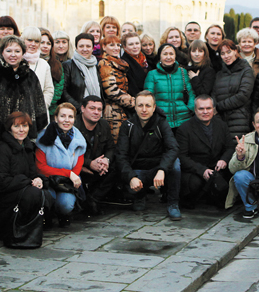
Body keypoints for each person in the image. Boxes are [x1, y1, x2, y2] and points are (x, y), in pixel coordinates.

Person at [113, 91, 182, 220]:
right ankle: (140, 196)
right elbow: (121, 156)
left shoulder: (161, 123)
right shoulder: (127, 126)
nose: (144, 110)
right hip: (138, 171)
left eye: (148, 106)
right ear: (135, 107)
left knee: (175, 164)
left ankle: (173, 204)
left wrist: (162, 169)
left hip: (157, 169)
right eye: (140, 105)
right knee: (130, 188)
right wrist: (131, 177)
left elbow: (173, 148)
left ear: (154, 107)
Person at [0, 111, 52, 246]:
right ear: (9, 129)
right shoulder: (2, 149)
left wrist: (39, 180)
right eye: (16, 126)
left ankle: (29, 230)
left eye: (25, 126)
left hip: (21, 189)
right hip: (4, 196)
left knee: (46, 194)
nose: (21, 130)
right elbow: (1, 182)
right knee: (33, 193)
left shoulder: (28, 146)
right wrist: (28, 182)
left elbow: (32, 173)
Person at [175, 95, 233, 208]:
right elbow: (182, 156)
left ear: (213, 109)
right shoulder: (184, 129)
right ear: (195, 110)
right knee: (194, 184)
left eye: (208, 108)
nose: (205, 112)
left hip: (217, 168)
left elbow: (230, 147)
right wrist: (202, 170)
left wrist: (224, 160)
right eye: (201, 109)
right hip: (195, 170)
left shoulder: (221, 125)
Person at [0, 35, 48, 139]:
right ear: (2, 52)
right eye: (9, 51)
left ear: (23, 53)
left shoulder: (29, 74)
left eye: (17, 51)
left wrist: (39, 122)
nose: (13, 55)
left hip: (25, 132)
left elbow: (39, 101)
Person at [35, 103, 86, 227]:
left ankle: (63, 214)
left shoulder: (79, 139)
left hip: (66, 182)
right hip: (47, 180)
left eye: (70, 117)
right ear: (56, 118)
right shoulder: (44, 137)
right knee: (48, 199)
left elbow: (78, 163)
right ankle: (47, 215)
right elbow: (41, 168)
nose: (66, 120)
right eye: (62, 116)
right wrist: (68, 173)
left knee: (66, 204)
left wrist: (72, 176)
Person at [75, 95, 119, 214]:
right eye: (92, 108)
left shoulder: (103, 124)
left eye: (99, 109)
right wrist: (89, 163)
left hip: (99, 166)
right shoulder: (74, 125)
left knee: (118, 163)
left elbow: (111, 147)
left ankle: (94, 199)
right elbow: (69, 154)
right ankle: (83, 201)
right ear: (82, 108)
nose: (96, 112)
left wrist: (106, 160)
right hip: (79, 167)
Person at [145, 43, 196, 128]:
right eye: (165, 54)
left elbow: (191, 93)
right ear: (160, 56)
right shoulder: (152, 74)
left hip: (183, 120)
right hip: (162, 122)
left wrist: (190, 108)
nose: (168, 57)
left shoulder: (183, 72)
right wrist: (156, 113)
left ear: (175, 56)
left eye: (171, 54)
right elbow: (148, 97)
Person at [213, 40, 256, 136]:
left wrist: (219, 107)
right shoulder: (220, 74)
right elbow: (214, 93)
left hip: (240, 120)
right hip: (221, 120)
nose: (226, 56)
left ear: (235, 51)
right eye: (223, 53)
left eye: (229, 52)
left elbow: (243, 95)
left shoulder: (246, 70)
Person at [99, 35, 135, 141]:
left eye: (118, 45)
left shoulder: (119, 63)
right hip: (113, 112)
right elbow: (111, 90)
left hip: (123, 109)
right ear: (104, 47)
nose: (116, 48)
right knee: (116, 142)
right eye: (112, 45)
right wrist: (133, 102)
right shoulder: (104, 63)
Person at [61, 32, 101, 108]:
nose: (85, 49)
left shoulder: (96, 67)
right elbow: (63, 92)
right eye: (81, 46)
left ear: (92, 48)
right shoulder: (67, 66)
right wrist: (80, 108)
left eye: (88, 46)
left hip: (95, 111)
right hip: (75, 111)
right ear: (76, 48)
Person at [22, 26, 56, 109]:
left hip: (39, 111)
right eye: (30, 40)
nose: (33, 44)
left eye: (36, 41)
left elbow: (49, 90)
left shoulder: (44, 64)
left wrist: (42, 107)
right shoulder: (15, 61)